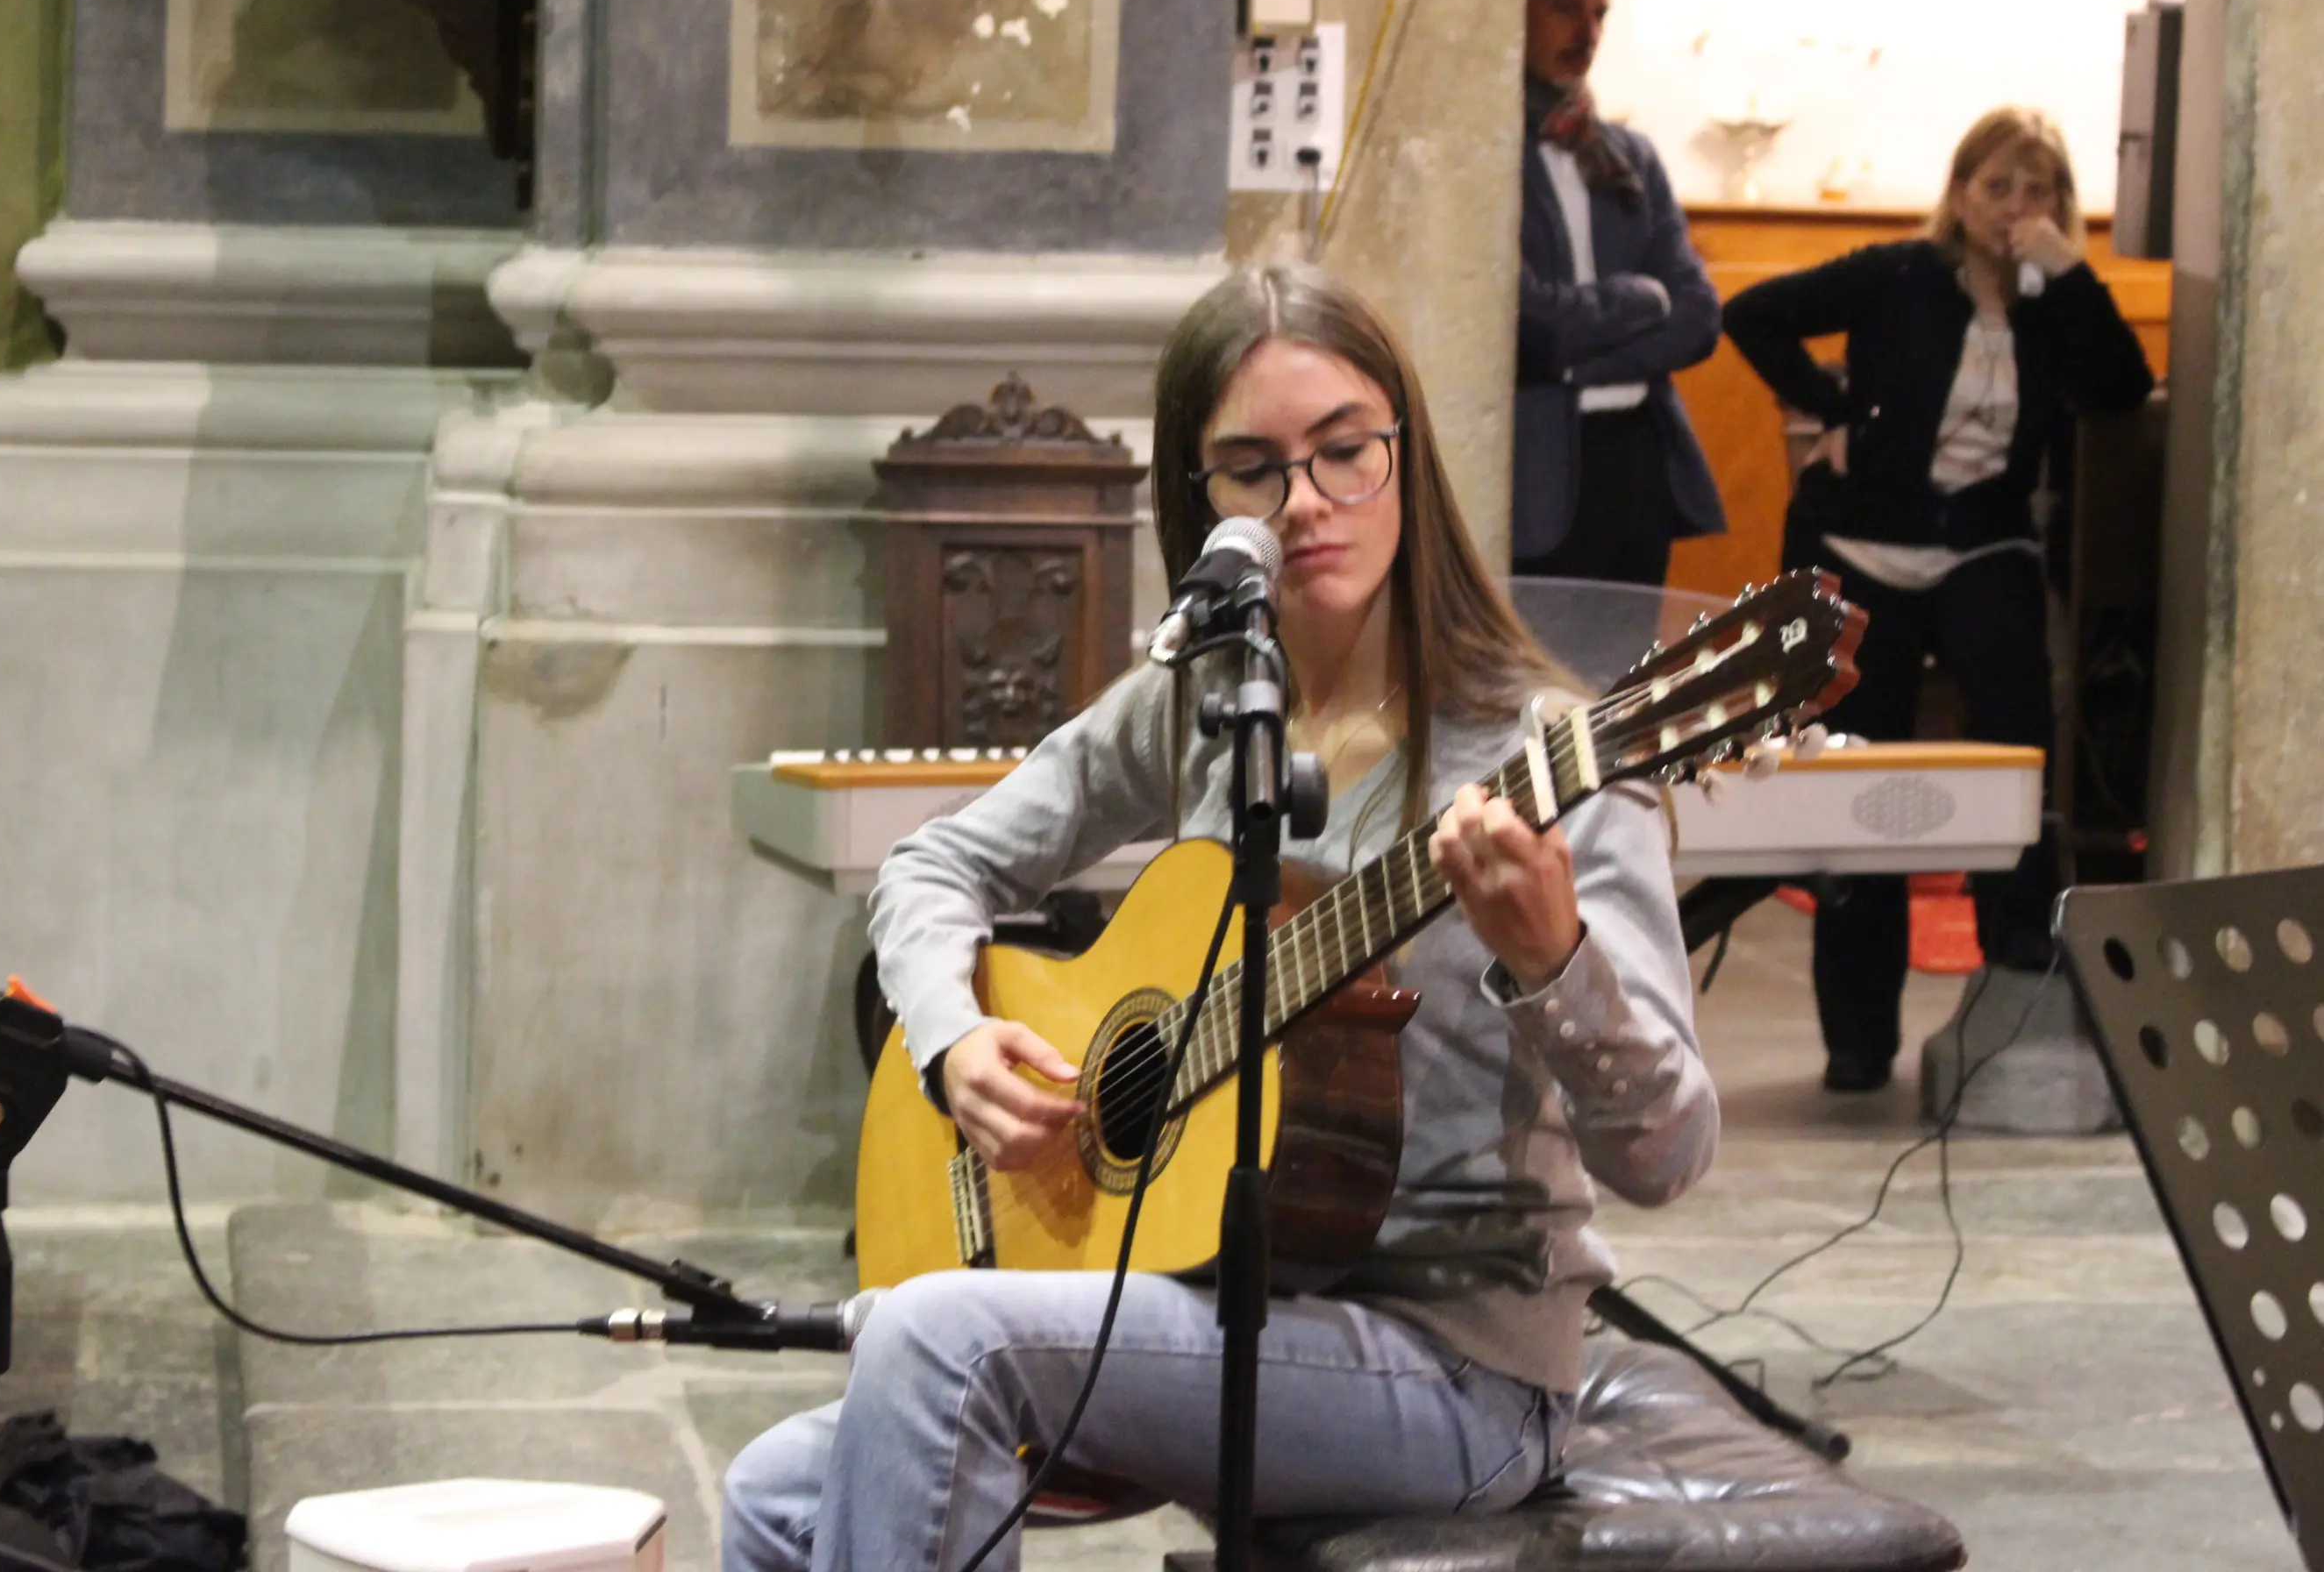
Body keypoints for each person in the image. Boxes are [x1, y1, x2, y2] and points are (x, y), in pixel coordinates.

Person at [723, 267, 1717, 1571]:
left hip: (1455, 1368)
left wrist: (1555, 959)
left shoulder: (1546, 760)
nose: (1304, 504)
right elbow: (931, 867)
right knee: (773, 1489)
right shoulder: (1205, 699)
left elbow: (1670, 1151)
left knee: (938, 1340)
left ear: (1405, 455)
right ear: (1197, 507)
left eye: (1343, 451)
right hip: (1224, 1300)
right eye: (1251, 470)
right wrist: (956, 1043)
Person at [1722, 107, 2155, 1093]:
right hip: (1864, 539)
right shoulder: (1898, 275)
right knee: (1860, 779)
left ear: (2060, 202)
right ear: (1958, 196)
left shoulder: (2053, 298)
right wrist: (1832, 410)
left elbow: (2122, 387)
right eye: (1995, 185)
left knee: (2012, 735)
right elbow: (1749, 316)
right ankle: (1859, 1038)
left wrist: (2073, 272)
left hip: (1980, 543)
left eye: (2035, 187)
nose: (2013, 206)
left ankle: (2015, 974)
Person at [1511, 0, 1726, 586]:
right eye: (1566, 9)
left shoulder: (1628, 158)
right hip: (1537, 469)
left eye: (1599, 14)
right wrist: (1639, 300)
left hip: (1638, 461)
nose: (1588, 35)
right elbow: (1528, 324)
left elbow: (1697, 316)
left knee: (1634, 683)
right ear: (1515, 7)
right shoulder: (1487, 158)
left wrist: (1581, 368)